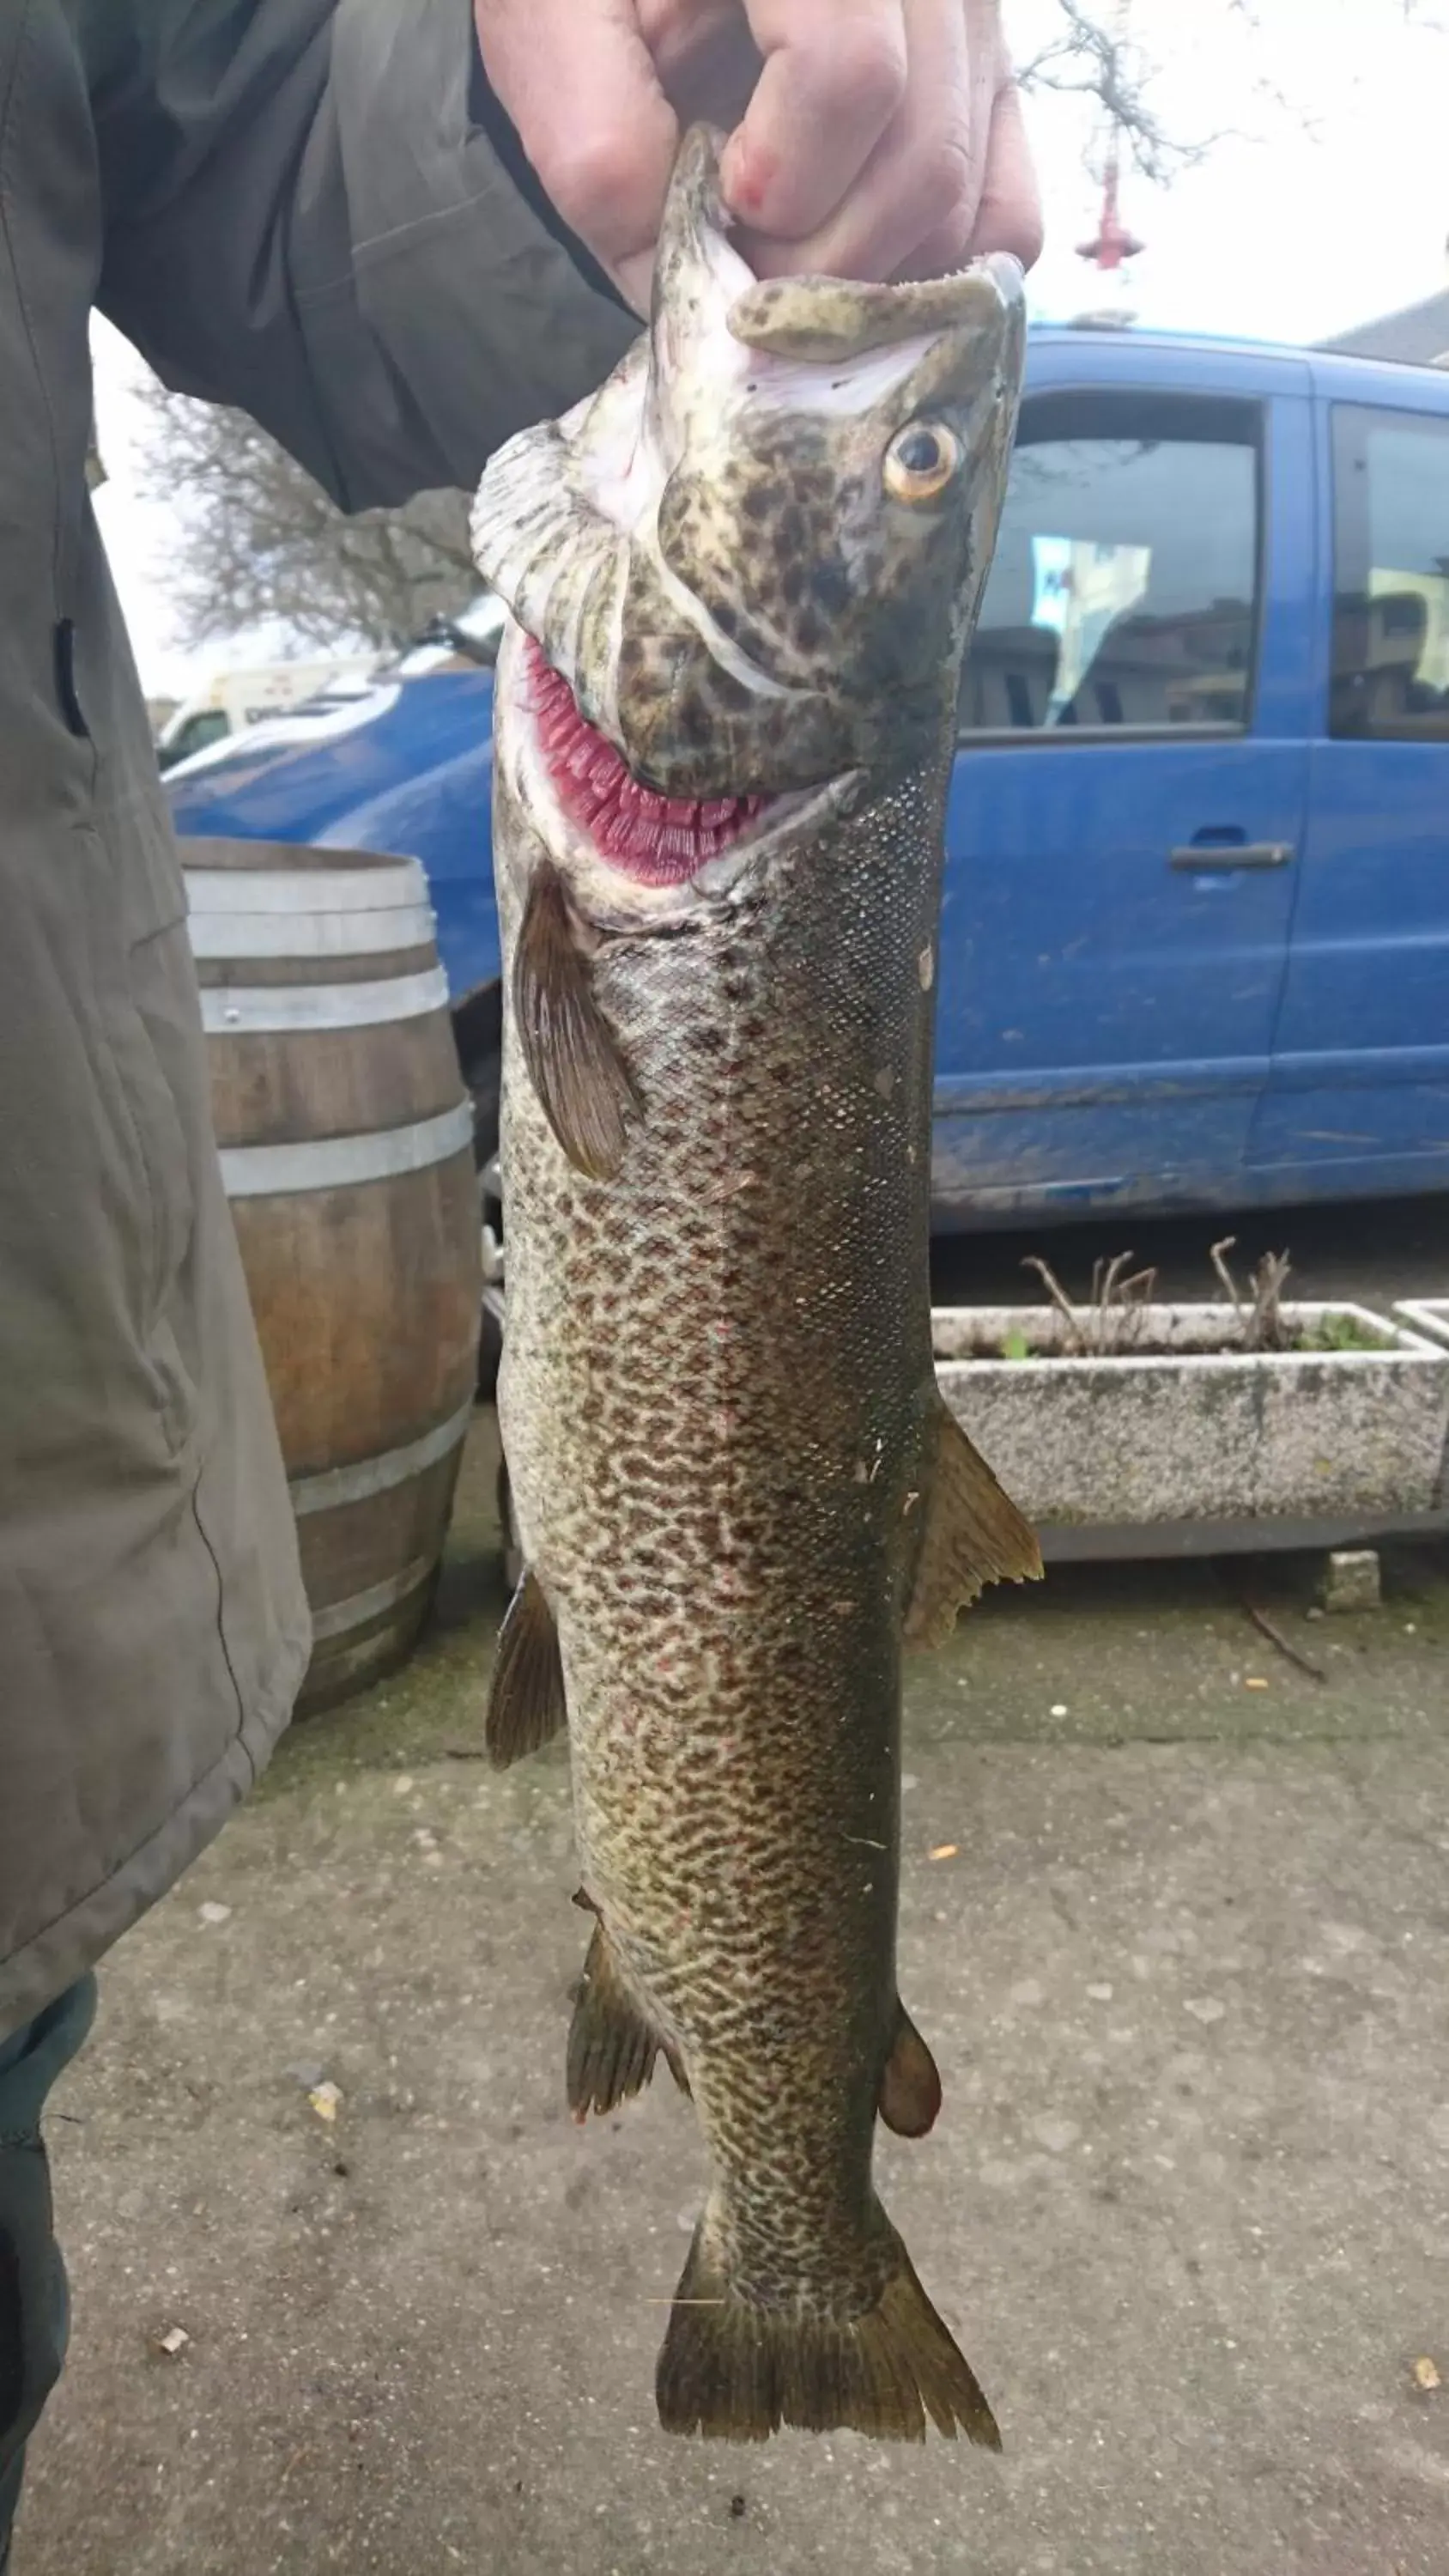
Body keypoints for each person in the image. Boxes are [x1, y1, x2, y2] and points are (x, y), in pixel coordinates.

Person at [0, 1, 1040, 2558]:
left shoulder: (695, 813)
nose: (884, 432)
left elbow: (233, 116)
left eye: (909, 464)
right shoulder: (679, 802)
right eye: (913, 459)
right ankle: (790, 2219)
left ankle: (781, 2212)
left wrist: (529, 96)